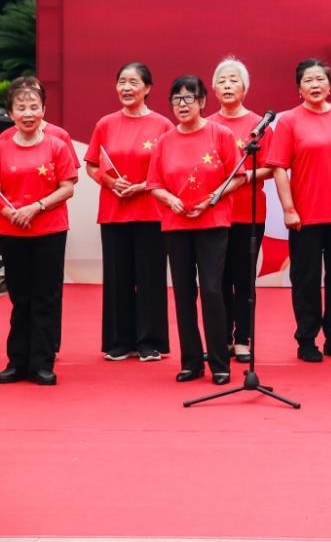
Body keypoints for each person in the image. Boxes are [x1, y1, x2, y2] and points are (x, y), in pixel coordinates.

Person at [147, 76, 242, 384]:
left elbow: (237, 176)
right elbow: (154, 184)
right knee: (184, 292)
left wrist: (211, 199)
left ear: (202, 102)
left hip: (212, 223)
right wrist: (170, 200)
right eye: (177, 99)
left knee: (212, 290)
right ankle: (191, 361)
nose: (183, 104)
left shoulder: (221, 134)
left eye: (189, 98)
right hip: (176, 224)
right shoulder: (165, 141)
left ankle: (219, 363)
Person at [267, 58, 331, 362]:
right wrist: (288, 208)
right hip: (305, 215)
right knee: (306, 279)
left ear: (330, 86)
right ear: (299, 88)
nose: (315, 85)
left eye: (321, 79)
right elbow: (279, 168)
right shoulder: (289, 121)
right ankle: (306, 339)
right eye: (308, 80)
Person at [85, 62, 174, 362]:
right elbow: (92, 165)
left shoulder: (163, 125)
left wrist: (144, 185)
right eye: (121, 81)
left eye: (133, 82)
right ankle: (119, 340)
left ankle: (150, 341)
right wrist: (110, 182)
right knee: (117, 277)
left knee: (150, 278)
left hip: (151, 211)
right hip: (114, 210)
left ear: (147, 88)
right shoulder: (105, 124)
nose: (126, 88)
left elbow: (171, 168)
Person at [0, 78, 77, 386]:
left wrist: (36, 207)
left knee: (45, 297)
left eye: (34, 107)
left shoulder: (56, 145)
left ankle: (42, 363)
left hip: (49, 229)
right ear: (11, 113)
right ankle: (16, 361)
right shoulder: (2, 147)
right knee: (20, 298)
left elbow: (67, 187)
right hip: (12, 230)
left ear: (44, 110)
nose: (28, 113)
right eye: (21, 108)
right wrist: (8, 211)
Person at [208, 57, 274, 365]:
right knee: (218, 280)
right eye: (221, 81)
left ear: (245, 88)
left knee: (243, 280)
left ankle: (243, 339)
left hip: (248, 213)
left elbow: (272, 167)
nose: (227, 85)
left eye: (233, 80)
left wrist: (243, 178)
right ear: (213, 89)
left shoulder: (259, 126)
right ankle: (222, 338)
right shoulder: (206, 125)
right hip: (215, 214)